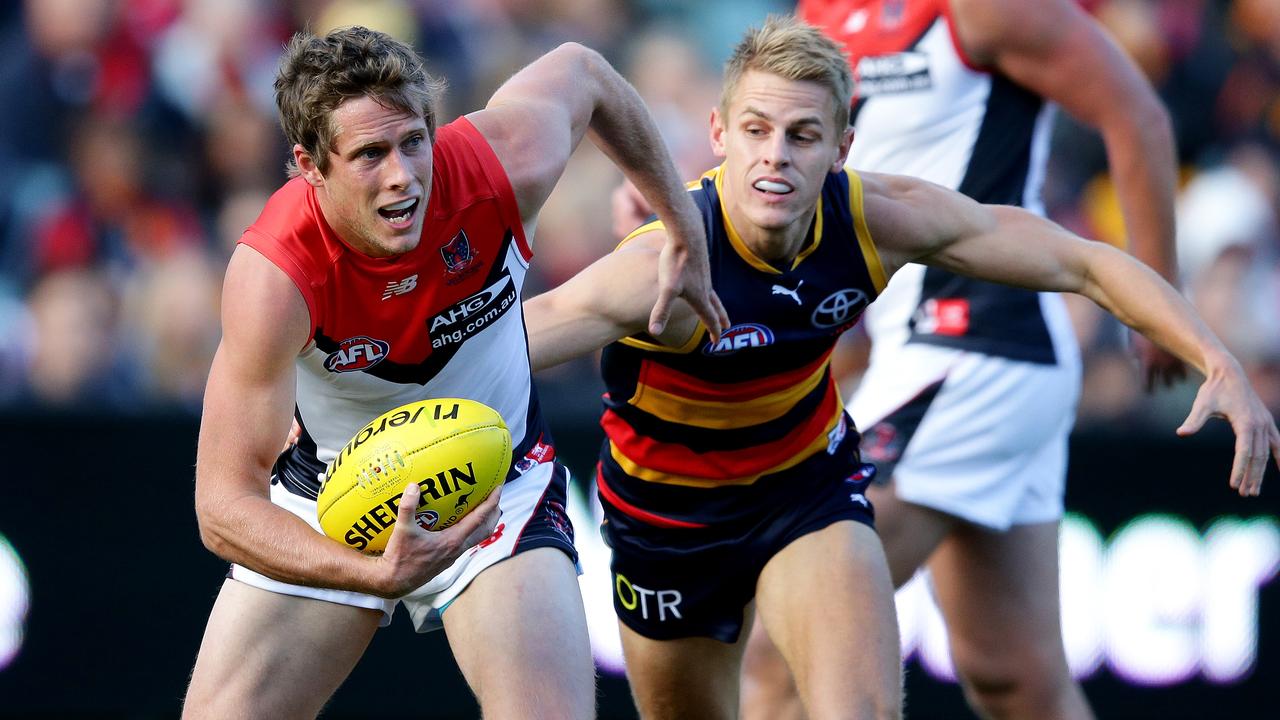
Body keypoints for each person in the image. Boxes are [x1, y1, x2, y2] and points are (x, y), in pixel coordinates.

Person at [524, 15, 1279, 720]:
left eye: (803, 135)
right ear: (719, 134)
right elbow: (506, 341)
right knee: (1012, 674)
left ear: (844, 147)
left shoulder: (876, 216)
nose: (777, 157)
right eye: (756, 131)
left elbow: (1081, 262)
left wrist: (1215, 356)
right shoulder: (658, 266)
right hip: (666, 521)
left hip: (805, 487)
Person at [183, 26, 726, 720]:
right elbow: (222, 508)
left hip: (499, 486)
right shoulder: (274, 276)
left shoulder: (501, 163)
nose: (403, 175)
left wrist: (681, 220)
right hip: (334, 499)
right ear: (310, 165)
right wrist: (374, 572)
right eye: (370, 154)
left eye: (414, 140)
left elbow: (584, 71)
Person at [736, 2, 1189, 718]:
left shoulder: (983, 10)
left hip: (976, 346)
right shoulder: (817, 14)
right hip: (934, 353)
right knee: (1014, 677)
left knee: (783, 638)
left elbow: (1139, 116)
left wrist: (1161, 308)